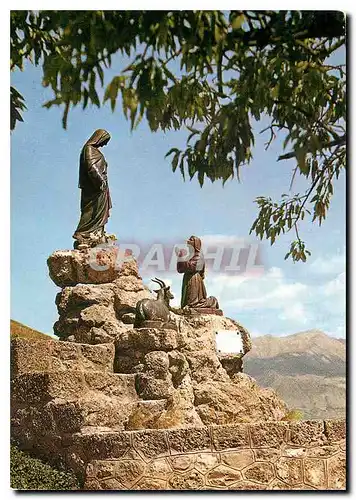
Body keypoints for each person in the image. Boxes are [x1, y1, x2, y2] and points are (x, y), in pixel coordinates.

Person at [73, 129, 112, 249]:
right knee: (91, 211)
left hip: (100, 188)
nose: (105, 144)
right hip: (94, 187)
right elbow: (92, 166)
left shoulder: (93, 150)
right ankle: (82, 234)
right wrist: (100, 180)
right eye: (104, 141)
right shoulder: (89, 149)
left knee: (99, 213)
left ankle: (97, 234)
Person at [177, 235, 219, 309]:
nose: (189, 242)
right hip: (187, 278)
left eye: (191, 241)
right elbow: (180, 269)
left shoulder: (199, 256)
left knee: (194, 303)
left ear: (196, 244)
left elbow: (193, 268)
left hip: (194, 279)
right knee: (186, 303)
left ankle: (213, 301)